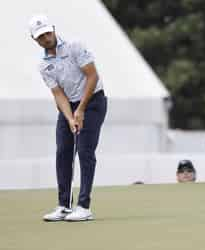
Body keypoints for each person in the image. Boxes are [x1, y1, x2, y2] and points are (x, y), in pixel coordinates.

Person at [29, 14, 107, 221]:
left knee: (84, 150)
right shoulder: (43, 65)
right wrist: (69, 116)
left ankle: (84, 207)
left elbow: (93, 76)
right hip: (69, 106)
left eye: (47, 32)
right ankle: (64, 205)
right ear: (35, 40)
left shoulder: (75, 46)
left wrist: (80, 110)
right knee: (63, 152)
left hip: (93, 102)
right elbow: (58, 94)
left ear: (53, 29)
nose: (46, 38)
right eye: (40, 36)